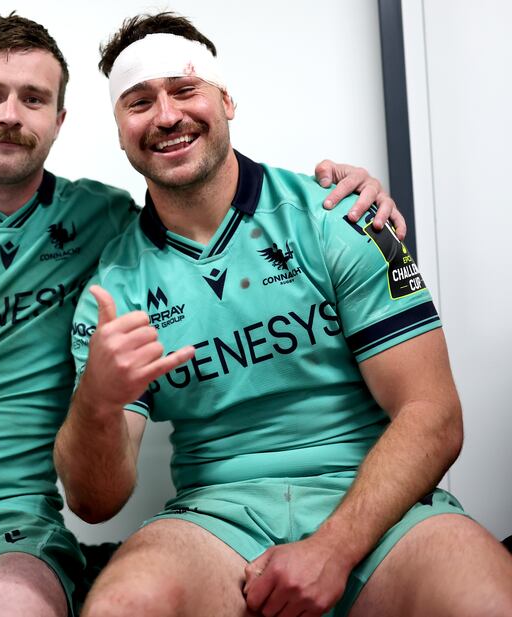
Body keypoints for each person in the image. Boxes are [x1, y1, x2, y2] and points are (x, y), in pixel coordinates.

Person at [0, 11, 400, 617]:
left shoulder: (108, 224)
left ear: (60, 120)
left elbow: (202, 199)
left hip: (12, 529)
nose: (9, 114)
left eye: (33, 99)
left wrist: (350, 189)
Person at [56, 12, 512, 617]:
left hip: (378, 506)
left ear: (227, 101)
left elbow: (433, 413)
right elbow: (94, 502)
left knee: (485, 598)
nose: (166, 115)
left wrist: (333, 548)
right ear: (119, 129)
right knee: (120, 606)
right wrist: (98, 399)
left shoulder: (337, 220)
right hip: (218, 521)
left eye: (185, 90)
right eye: (139, 102)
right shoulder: (113, 290)